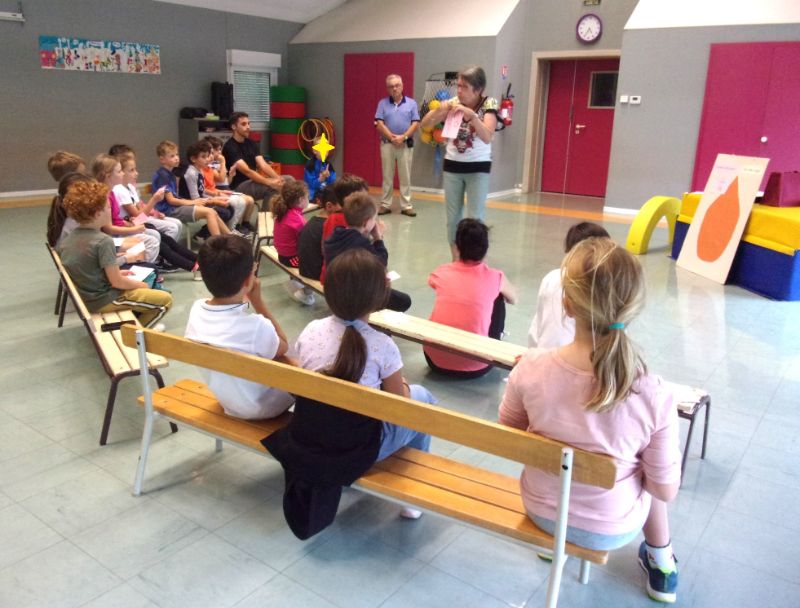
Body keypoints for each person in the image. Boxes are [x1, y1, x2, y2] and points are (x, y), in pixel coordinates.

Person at [499, 238, 681, 604]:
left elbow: (509, 433)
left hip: (541, 509)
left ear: (566, 303)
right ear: (634, 305)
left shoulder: (530, 368)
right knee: (645, 474)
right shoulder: (654, 393)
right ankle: (661, 561)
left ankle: (559, 546)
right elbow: (664, 490)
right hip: (611, 528)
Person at [262, 249, 436, 539]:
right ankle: (411, 498)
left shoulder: (312, 330)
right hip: (359, 448)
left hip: (312, 436)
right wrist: (404, 385)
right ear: (378, 297)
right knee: (423, 399)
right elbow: (401, 407)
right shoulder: (382, 345)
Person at [185, 235, 293, 420]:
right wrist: (258, 302)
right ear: (247, 281)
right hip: (264, 406)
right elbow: (283, 345)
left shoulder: (196, 309)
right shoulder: (256, 326)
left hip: (228, 400)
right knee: (302, 357)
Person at [58, 180, 172, 328]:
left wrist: (119, 273)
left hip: (89, 297)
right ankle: (136, 333)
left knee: (143, 281)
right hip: (105, 299)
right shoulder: (103, 241)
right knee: (165, 300)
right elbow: (117, 283)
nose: (111, 210)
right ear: (97, 213)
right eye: (108, 207)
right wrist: (141, 285)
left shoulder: (69, 239)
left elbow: (90, 268)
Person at [420, 66, 498, 259]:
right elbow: (425, 124)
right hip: (453, 166)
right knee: (452, 218)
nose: (459, 90)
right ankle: (456, 258)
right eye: (458, 86)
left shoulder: (489, 104)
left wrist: (472, 117)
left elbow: (487, 136)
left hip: (478, 167)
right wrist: (440, 110)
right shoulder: (453, 102)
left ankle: (475, 260)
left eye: (464, 87)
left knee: (476, 218)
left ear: (477, 90)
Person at [424, 219, 517, 377]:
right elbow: (514, 299)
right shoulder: (495, 277)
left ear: (456, 247)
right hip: (477, 365)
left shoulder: (441, 272)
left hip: (434, 360)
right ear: (486, 249)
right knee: (498, 297)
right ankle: (495, 342)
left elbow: (432, 282)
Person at [113, 152, 201, 277]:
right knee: (158, 238)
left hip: (134, 223)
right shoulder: (118, 190)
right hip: (128, 228)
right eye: (131, 170)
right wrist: (154, 200)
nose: (136, 173)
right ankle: (190, 265)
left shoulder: (129, 187)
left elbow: (140, 212)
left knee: (167, 239)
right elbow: (138, 217)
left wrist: (153, 212)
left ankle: (198, 259)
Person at [324, 192, 411, 312]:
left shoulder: (336, 235)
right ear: (366, 222)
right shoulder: (361, 244)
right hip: (355, 297)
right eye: (374, 219)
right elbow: (381, 263)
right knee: (404, 301)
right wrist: (378, 237)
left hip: (334, 292)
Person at [528, 222, 610, 348]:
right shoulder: (559, 280)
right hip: (561, 353)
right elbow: (553, 338)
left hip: (555, 353)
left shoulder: (557, 278)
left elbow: (551, 338)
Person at [151, 140, 230, 236]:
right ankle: (218, 242)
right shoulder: (163, 175)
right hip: (168, 210)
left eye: (177, 155)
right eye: (172, 156)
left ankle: (230, 236)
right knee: (210, 212)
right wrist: (192, 202)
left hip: (175, 207)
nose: (176, 158)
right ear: (162, 159)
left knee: (213, 212)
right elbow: (171, 200)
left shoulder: (170, 174)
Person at [374, 74, 420, 217]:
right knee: (387, 176)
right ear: (387, 89)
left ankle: (406, 206)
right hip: (387, 144)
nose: (394, 88)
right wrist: (392, 137)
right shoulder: (382, 103)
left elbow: (415, 123)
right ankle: (385, 204)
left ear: (402, 86)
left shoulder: (412, 103)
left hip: (405, 145)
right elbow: (379, 123)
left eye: (397, 85)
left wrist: (403, 137)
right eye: (391, 86)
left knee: (405, 176)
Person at [184, 140, 246, 233]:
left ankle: (222, 233)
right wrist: (215, 201)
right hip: (191, 204)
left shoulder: (199, 170)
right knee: (223, 212)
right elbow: (195, 199)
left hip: (202, 200)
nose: (207, 159)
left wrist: (217, 197)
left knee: (230, 209)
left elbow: (202, 191)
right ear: (193, 159)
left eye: (207, 156)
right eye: (203, 157)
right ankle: (205, 234)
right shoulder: (191, 173)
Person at [222, 112, 284, 205]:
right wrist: (269, 182)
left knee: (288, 180)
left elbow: (263, 165)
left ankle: (288, 213)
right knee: (272, 188)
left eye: (248, 123)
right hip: (238, 186)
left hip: (253, 182)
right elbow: (247, 171)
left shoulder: (251, 143)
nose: (248, 127)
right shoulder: (230, 147)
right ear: (234, 127)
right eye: (243, 124)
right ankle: (265, 214)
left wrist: (278, 179)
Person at [271, 180, 315, 306]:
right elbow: (306, 242)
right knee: (317, 264)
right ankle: (305, 293)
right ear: (301, 200)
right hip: (290, 258)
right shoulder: (297, 219)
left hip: (283, 254)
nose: (308, 199)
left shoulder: (285, 211)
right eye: (307, 197)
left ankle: (295, 281)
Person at [298, 185, 336, 282]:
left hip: (306, 271)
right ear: (329, 206)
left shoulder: (314, 220)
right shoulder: (328, 226)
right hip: (317, 275)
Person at [303, 137, 336, 203]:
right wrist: (321, 179)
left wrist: (328, 176)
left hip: (325, 193)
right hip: (313, 195)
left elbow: (332, 183)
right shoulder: (310, 165)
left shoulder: (329, 165)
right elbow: (310, 185)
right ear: (314, 151)